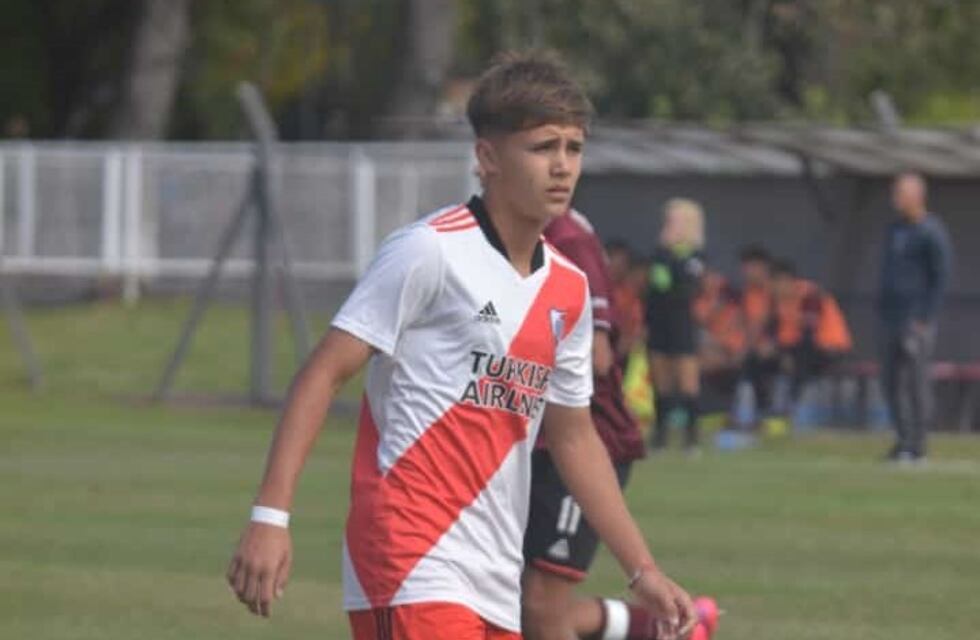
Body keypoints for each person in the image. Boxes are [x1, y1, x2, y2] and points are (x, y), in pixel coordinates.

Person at [226, 51, 697, 640]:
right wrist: (271, 517)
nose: (561, 166)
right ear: (487, 158)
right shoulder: (428, 251)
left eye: (573, 149)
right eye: (542, 147)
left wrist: (641, 569)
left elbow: (574, 434)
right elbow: (323, 374)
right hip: (408, 557)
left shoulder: (568, 290)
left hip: (494, 573)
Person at [522, 209, 665, 640]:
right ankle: (661, 628)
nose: (560, 164)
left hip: (581, 442)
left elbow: (596, 356)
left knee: (542, 606)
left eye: (569, 148)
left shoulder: (566, 238)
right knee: (508, 604)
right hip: (522, 444)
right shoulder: (480, 235)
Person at [878, 172, 952, 462]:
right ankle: (901, 439)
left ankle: (919, 445)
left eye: (901, 193)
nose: (896, 198)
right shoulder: (894, 230)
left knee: (916, 382)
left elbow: (941, 277)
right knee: (889, 382)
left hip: (915, 319)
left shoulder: (931, 231)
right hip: (889, 317)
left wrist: (925, 316)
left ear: (917, 196)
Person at [645, 199, 707, 453]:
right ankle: (660, 434)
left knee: (687, 380)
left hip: (682, 322)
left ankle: (691, 437)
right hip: (659, 321)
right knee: (661, 379)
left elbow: (687, 288)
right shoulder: (660, 253)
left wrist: (670, 264)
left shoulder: (693, 255)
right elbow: (657, 285)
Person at [767, 259, 853, 418]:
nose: (772, 289)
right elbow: (775, 333)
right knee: (759, 360)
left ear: (786, 280)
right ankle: (762, 411)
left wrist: (787, 355)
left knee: (800, 360)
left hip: (830, 348)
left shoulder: (811, 295)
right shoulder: (778, 302)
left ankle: (789, 412)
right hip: (800, 348)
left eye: (774, 283)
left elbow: (808, 334)